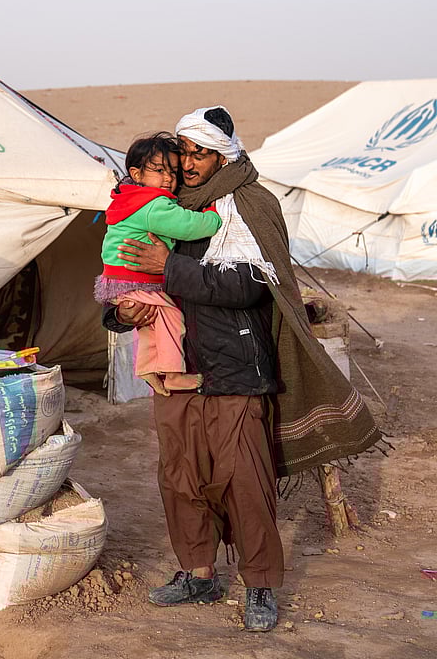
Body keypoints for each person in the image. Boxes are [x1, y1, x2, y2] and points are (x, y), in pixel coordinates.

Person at [103, 106, 380, 633]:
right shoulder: (159, 204)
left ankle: (260, 586)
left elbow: (248, 286)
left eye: (200, 154)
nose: (188, 164)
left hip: (235, 367)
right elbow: (122, 273)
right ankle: (198, 574)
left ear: (224, 156)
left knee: (246, 480)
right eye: (183, 153)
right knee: (180, 477)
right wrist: (121, 313)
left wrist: (170, 267)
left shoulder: (251, 204)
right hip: (175, 370)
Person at [94, 131, 221, 395]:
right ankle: (173, 374)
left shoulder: (129, 198)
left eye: (173, 172)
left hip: (120, 279)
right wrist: (212, 216)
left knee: (153, 322)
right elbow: (188, 226)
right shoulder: (153, 205)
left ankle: (147, 368)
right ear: (136, 174)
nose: (168, 179)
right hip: (134, 279)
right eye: (160, 171)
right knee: (172, 317)